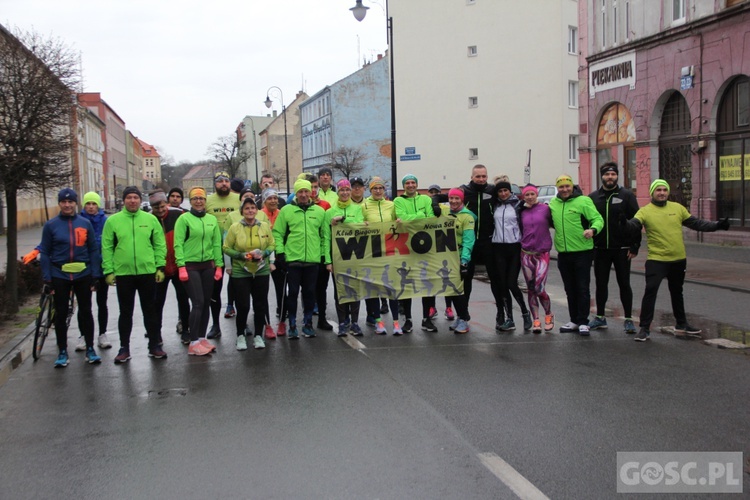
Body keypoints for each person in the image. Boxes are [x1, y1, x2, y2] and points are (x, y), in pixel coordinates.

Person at [624, 179, 729, 341]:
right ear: (652, 192)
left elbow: (696, 223)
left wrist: (717, 225)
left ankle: (681, 324)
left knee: (677, 292)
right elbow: (633, 225)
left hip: (678, 259)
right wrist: (623, 223)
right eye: (658, 190)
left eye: (664, 190)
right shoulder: (645, 211)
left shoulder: (677, 208)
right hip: (657, 260)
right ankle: (644, 328)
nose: (661, 193)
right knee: (650, 292)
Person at [101, 186, 168, 363]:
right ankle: (124, 348)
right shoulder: (113, 221)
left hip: (147, 272)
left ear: (140, 200)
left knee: (150, 311)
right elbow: (107, 247)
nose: (132, 201)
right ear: (124, 200)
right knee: (126, 312)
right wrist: (108, 270)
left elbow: (159, 244)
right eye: (129, 197)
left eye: (136, 198)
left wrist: (160, 267)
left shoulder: (150, 219)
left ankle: (154, 345)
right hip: (124, 273)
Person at [39, 188, 102, 368]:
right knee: (60, 313)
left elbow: (92, 250)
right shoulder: (51, 225)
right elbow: (45, 252)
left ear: (76, 203)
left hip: (83, 274)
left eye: (70, 202)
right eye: (63, 202)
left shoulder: (84, 223)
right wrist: (47, 278)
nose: (67, 205)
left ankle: (90, 349)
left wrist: (95, 275)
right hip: (60, 274)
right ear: (59, 203)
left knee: (86, 311)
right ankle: (62, 351)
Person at [587, 162, 641, 334]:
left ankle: (628, 319)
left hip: (622, 248)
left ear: (617, 176)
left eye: (613, 174)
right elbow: (586, 221)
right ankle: (600, 317)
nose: (610, 177)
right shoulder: (593, 197)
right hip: (601, 248)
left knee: (624, 283)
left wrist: (635, 245)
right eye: (607, 174)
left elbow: (637, 222)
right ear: (602, 176)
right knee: (601, 284)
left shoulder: (627, 195)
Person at [272, 178, 328, 339]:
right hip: (293, 260)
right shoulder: (287, 210)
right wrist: (281, 253)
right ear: (295, 193)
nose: (303, 195)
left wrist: (324, 256)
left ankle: (308, 323)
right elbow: (277, 233)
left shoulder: (319, 211)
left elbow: (324, 236)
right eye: (300, 192)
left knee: (310, 293)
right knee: (293, 293)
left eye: (306, 191)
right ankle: (292, 325)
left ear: (311, 192)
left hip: (313, 260)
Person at [548, 175, 604, 336]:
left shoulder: (583, 201)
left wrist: (592, 230)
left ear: (572, 186)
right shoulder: (553, 204)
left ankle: (583, 321)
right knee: (569, 289)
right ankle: (573, 320)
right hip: (564, 254)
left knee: (582, 288)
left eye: (567, 186)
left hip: (582, 252)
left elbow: (598, 219)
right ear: (557, 188)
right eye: (561, 187)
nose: (565, 190)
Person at [173, 187, 224, 355]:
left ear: (205, 201)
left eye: (201, 198)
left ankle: (202, 339)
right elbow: (178, 243)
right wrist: (181, 266)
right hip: (190, 266)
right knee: (198, 302)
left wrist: (218, 265)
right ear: (190, 201)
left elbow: (216, 243)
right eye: (195, 198)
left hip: (207, 266)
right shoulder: (184, 219)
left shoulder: (211, 219)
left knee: (207, 302)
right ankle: (193, 341)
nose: (199, 201)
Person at [223, 196, 275, 351]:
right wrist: (241, 256)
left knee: (260, 304)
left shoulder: (264, 226)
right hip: (241, 270)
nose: (250, 211)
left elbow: (272, 244)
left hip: (261, 269)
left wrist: (265, 253)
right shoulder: (235, 228)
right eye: (247, 208)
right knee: (243, 305)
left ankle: (259, 335)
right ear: (242, 211)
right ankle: (240, 335)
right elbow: (226, 247)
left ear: (257, 210)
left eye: (253, 208)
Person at [394, 174, 436, 332]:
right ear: (403, 186)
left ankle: (427, 319)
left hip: (425, 247)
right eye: (407, 183)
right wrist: (420, 216)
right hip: (406, 248)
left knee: (428, 284)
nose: (410, 185)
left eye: (413, 182)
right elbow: (401, 217)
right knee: (407, 285)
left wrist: (410, 219)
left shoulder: (425, 199)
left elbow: (431, 218)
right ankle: (408, 320)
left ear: (417, 184)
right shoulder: (398, 201)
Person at [488, 180, 532, 331]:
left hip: (514, 247)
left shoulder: (518, 205)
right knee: (502, 285)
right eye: (500, 191)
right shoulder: (495, 205)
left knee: (511, 283)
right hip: (498, 247)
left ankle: (525, 313)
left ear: (510, 191)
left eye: (505, 191)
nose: (503, 194)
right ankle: (509, 319)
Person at [149, 190, 191, 345]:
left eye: (161, 206)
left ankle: (186, 329)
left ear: (165, 203)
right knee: (157, 302)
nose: (160, 211)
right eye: (156, 208)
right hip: (159, 268)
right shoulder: (148, 219)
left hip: (178, 264)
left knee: (183, 299)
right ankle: (156, 333)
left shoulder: (178, 215)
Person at [324, 179, 365, 336]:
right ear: (337, 192)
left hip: (355, 256)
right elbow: (326, 238)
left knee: (354, 289)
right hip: (337, 257)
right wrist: (328, 261)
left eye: (348, 190)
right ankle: (342, 321)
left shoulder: (359, 208)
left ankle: (354, 322)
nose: (345, 193)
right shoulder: (329, 212)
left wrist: (345, 221)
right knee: (339, 291)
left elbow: (360, 226)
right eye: (342, 190)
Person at [361, 177, 401, 334]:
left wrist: (399, 221)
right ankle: (378, 322)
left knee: (392, 287)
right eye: (374, 188)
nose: (378, 191)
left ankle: (396, 323)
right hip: (372, 252)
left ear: (384, 190)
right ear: (370, 190)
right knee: (373, 288)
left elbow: (399, 222)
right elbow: (358, 223)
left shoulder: (391, 205)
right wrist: (361, 224)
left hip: (389, 251)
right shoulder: (364, 205)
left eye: (380, 188)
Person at [205, 171, 240, 337]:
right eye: (220, 182)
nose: (224, 184)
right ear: (215, 184)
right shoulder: (208, 201)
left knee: (239, 287)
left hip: (235, 250)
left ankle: (243, 324)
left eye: (226, 181)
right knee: (214, 290)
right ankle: (215, 325)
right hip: (214, 251)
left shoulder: (237, 198)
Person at [76, 191, 112, 350]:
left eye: (94, 204)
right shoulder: (78, 221)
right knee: (84, 304)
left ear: (98, 205)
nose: (91, 207)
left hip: (102, 267)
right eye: (88, 204)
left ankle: (102, 334)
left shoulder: (106, 221)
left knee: (102, 302)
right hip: (84, 268)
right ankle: (83, 335)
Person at [460, 165, 499, 307]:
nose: (481, 179)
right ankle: (463, 315)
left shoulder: (492, 190)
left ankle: (501, 314)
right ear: (472, 177)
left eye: (484, 176)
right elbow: (444, 197)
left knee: (495, 279)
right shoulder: (464, 190)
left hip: (488, 242)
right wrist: (435, 205)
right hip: (469, 243)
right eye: (478, 176)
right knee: (466, 279)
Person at [518, 184, 555, 333]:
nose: (530, 197)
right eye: (527, 195)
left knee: (540, 288)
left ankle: (548, 314)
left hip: (542, 253)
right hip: (526, 253)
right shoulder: (521, 211)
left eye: (532, 194)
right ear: (524, 197)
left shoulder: (546, 209)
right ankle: (536, 319)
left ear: (536, 195)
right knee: (531, 288)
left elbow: (555, 224)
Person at [438, 188, 476, 333]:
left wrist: (464, 260)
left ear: (462, 200)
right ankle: (460, 317)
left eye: (457, 199)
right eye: (451, 198)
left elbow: (469, 240)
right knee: (451, 289)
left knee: (460, 290)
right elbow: (432, 201)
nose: (453, 201)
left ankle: (464, 318)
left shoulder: (467, 217)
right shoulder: (445, 211)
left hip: (461, 258)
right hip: (447, 257)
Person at [309, 174, 334, 330]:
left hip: (322, 252)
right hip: (307, 253)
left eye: (315, 187)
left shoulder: (325, 205)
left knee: (321, 287)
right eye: (310, 187)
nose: (312, 190)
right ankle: (307, 320)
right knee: (308, 288)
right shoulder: (297, 205)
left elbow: (328, 230)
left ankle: (322, 318)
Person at [261, 188, 287, 336]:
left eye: (275, 198)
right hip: (263, 258)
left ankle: (282, 321)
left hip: (279, 257)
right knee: (262, 292)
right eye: (269, 198)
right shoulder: (259, 214)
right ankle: (267, 324)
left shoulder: (282, 214)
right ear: (264, 201)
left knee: (282, 292)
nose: (273, 201)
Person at [428, 184, 455, 321]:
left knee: (447, 279)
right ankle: (432, 307)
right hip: (431, 248)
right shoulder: (428, 208)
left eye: (436, 192)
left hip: (445, 247)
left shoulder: (447, 208)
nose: (433, 194)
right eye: (431, 192)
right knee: (432, 280)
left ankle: (448, 307)